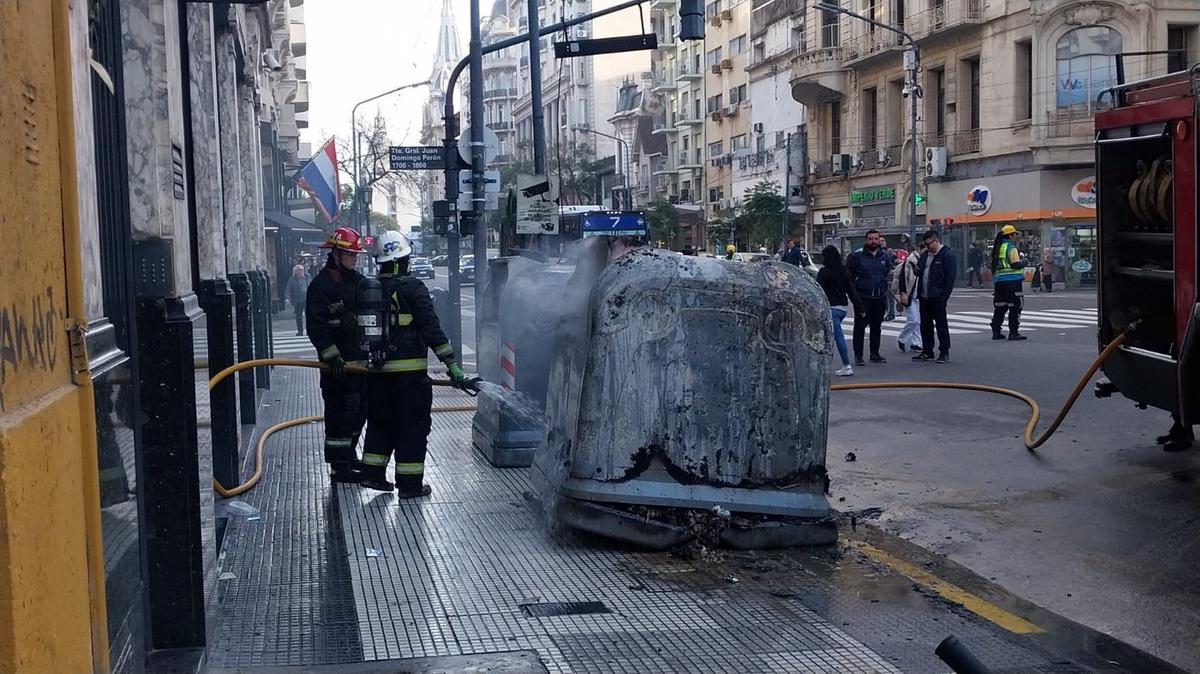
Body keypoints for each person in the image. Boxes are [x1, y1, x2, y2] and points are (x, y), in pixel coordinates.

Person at [358, 231, 469, 496]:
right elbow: (431, 328)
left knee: (380, 424)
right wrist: (451, 364)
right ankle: (409, 485)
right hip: (410, 379)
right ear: (400, 261)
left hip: (377, 375)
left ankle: (372, 475)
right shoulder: (413, 288)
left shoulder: (371, 289)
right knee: (412, 427)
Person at [306, 226, 369, 483]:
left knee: (360, 411)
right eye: (351, 255)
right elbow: (317, 327)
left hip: (360, 365)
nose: (355, 259)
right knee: (340, 415)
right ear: (335, 254)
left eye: (356, 255)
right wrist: (332, 357)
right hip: (336, 368)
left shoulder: (359, 282)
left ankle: (349, 454)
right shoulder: (320, 287)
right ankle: (338, 466)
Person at [845, 229, 893, 366]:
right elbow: (848, 278)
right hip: (863, 298)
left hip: (879, 297)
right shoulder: (856, 256)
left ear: (879, 240)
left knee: (876, 327)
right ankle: (858, 356)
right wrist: (854, 296)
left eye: (876, 239)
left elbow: (887, 273)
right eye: (871, 239)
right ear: (866, 240)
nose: (873, 241)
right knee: (860, 327)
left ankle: (875, 354)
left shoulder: (884, 256)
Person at [817, 246, 861, 376]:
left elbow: (817, 290)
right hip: (842, 307)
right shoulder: (843, 271)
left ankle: (846, 366)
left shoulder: (824, 272)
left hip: (830, 308)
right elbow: (851, 290)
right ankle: (841, 366)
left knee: (834, 337)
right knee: (833, 336)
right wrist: (860, 307)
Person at [914, 229, 957, 363]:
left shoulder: (946, 255)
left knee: (941, 325)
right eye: (925, 245)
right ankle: (927, 351)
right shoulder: (926, 255)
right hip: (924, 295)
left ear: (936, 240)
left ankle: (944, 351)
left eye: (928, 244)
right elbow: (921, 272)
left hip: (937, 296)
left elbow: (950, 278)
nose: (927, 247)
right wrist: (917, 267)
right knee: (925, 325)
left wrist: (944, 296)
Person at [989, 224, 1027, 341]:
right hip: (1012, 281)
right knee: (1015, 306)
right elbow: (1015, 264)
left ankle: (996, 332)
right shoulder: (1011, 248)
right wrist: (1024, 262)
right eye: (1015, 234)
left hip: (999, 282)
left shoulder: (997, 248)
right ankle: (1013, 332)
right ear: (1010, 235)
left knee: (1000, 307)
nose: (1017, 236)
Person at [890, 241, 924, 353]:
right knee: (914, 320)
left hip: (918, 295)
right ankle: (902, 338)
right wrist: (902, 293)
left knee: (917, 321)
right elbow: (904, 278)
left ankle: (916, 343)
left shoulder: (924, 260)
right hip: (910, 295)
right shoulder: (911, 261)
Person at [285, 264, 309, 336]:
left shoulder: (307, 277)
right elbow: (288, 289)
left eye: (301, 270)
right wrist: (287, 298)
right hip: (297, 300)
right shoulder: (291, 279)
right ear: (295, 271)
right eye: (298, 270)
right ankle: (300, 331)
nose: (300, 272)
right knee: (298, 316)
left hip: (307, 299)